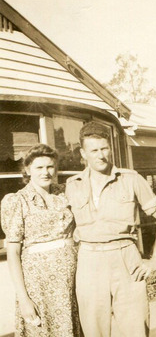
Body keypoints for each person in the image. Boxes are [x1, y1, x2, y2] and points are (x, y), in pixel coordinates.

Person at [66, 121, 156, 337]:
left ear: (110, 148)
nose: (101, 155)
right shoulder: (71, 184)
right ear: (83, 153)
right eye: (93, 150)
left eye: (104, 148)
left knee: (134, 327)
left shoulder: (130, 179)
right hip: (89, 261)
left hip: (125, 258)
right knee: (94, 330)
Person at [1, 144, 81, 337]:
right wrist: (24, 298)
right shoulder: (16, 201)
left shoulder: (65, 194)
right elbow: (13, 252)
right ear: (27, 170)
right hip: (38, 284)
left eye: (50, 166)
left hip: (73, 278)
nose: (46, 172)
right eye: (39, 167)